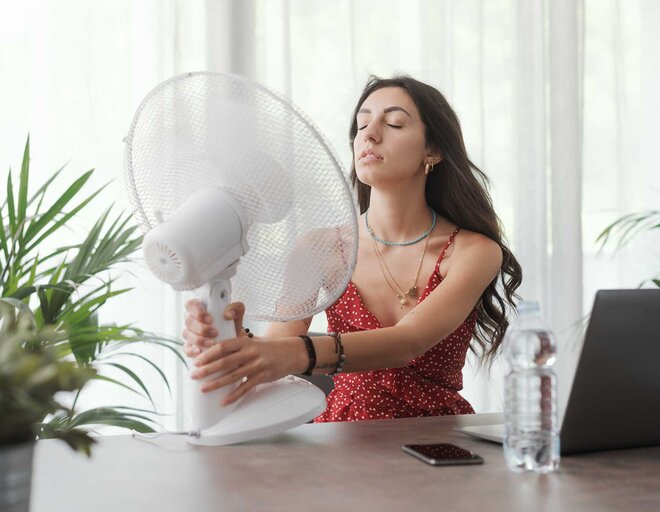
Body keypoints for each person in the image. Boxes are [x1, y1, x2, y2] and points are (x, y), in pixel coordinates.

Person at [183, 75, 522, 421]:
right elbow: (278, 354)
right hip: (341, 438)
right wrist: (238, 342)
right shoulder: (318, 248)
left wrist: (295, 354)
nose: (369, 134)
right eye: (361, 125)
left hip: (436, 442)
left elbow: (409, 342)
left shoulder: (473, 251)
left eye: (394, 123)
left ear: (432, 150)